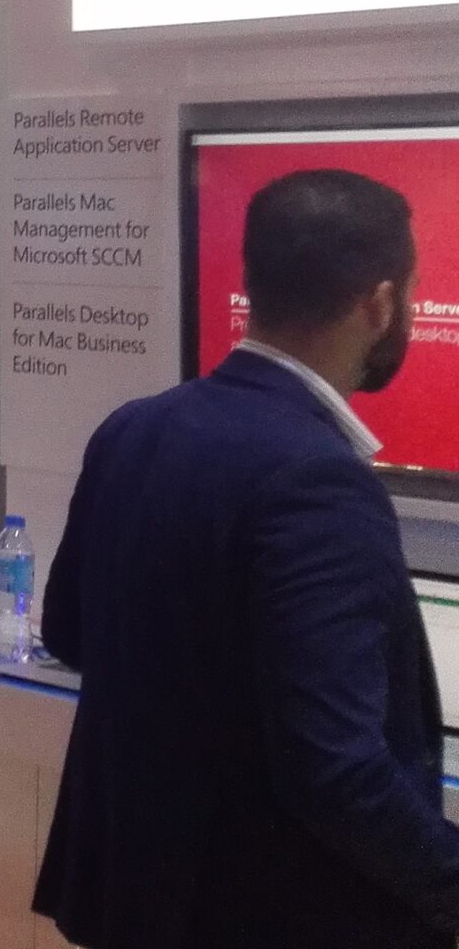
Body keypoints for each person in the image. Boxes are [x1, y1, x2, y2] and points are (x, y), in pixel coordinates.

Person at [35, 169, 459, 949]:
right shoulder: (319, 481)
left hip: (136, 901)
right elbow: (337, 769)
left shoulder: (134, 429)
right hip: (270, 916)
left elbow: (68, 631)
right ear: (380, 304)